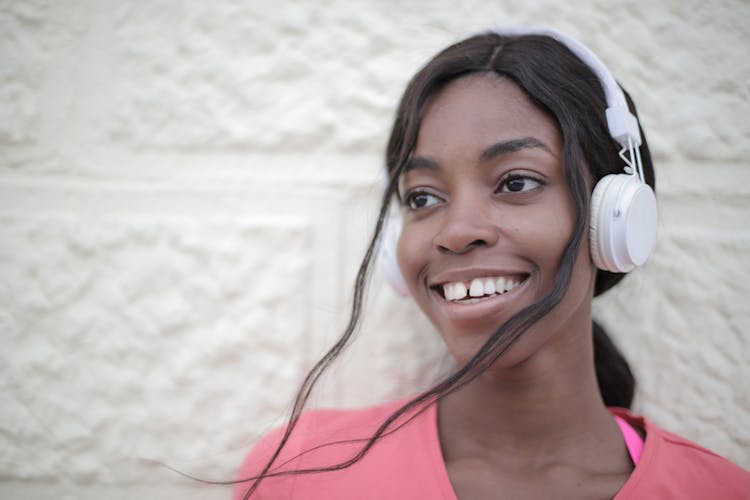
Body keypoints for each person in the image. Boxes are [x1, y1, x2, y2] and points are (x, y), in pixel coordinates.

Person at [233, 29, 750, 499]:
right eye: (422, 198)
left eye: (516, 182)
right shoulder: (298, 474)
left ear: (615, 216)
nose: (457, 232)